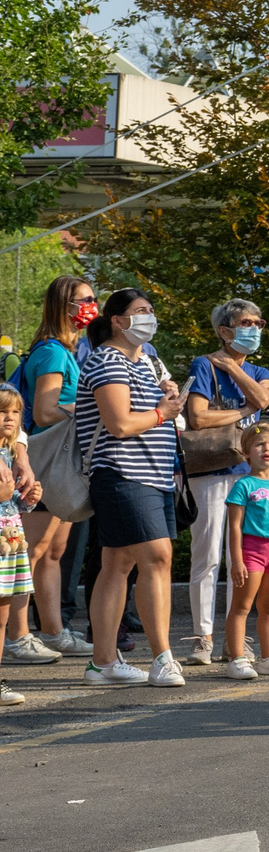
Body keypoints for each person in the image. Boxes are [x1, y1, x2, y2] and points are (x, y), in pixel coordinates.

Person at [72, 288, 187, 687]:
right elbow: (119, 424)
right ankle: (163, 657)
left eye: (152, 310)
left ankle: (102, 663)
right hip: (121, 473)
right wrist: (162, 412)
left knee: (116, 564)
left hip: (154, 475)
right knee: (158, 556)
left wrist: (168, 395)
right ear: (118, 321)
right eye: (141, 312)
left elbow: (161, 404)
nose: (149, 318)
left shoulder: (151, 361)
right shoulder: (107, 360)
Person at [179, 299, 269, 664]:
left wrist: (233, 370)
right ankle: (202, 636)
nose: (254, 329)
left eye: (258, 322)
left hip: (246, 475)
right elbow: (199, 418)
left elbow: (264, 396)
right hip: (211, 472)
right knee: (207, 556)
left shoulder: (258, 369)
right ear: (224, 330)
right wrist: (245, 411)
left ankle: (234, 639)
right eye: (245, 323)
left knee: (243, 558)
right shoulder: (204, 365)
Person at [14, 272, 95, 657]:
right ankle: (17, 635)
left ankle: (51, 630)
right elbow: (45, 411)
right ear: (64, 307)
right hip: (44, 459)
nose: (90, 306)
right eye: (84, 300)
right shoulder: (52, 352)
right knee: (29, 551)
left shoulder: (66, 350)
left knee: (53, 551)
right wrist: (94, 407)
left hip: (54, 459)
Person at [217, 423, 269, 679]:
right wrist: (237, 561)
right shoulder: (243, 486)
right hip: (253, 552)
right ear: (246, 452)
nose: (267, 449)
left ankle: (268, 657)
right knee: (242, 606)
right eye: (259, 444)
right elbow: (234, 528)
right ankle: (238, 659)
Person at [0, 387, 39, 695]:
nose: (9, 418)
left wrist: (28, 499)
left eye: (14, 412)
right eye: (2, 412)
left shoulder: (11, 451)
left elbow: (13, 501)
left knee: (3, 615)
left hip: (11, 539)